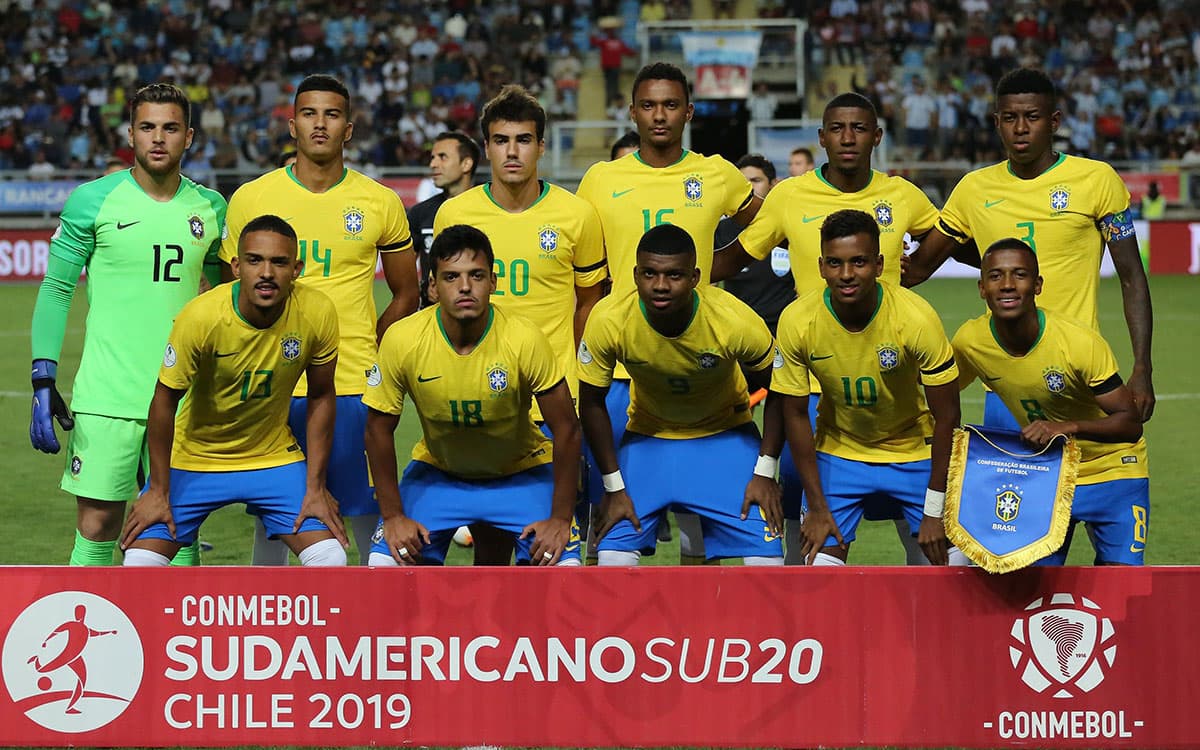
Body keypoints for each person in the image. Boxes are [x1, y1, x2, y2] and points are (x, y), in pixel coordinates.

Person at [711, 92, 939, 565]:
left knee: (921, 535)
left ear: (877, 136)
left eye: (859, 128)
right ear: (821, 138)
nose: (848, 138)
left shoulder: (903, 194)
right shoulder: (789, 197)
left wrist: (917, 270)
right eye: (837, 128)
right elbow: (735, 257)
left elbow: (949, 238)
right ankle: (805, 603)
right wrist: (672, 279)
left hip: (891, 383)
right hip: (811, 385)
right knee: (808, 521)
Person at [220, 74, 418, 565]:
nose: (320, 124)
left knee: (368, 509)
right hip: (273, 382)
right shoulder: (253, 198)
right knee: (275, 516)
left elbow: (407, 292)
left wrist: (375, 348)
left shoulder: (379, 201)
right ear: (292, 125)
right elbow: (232, 292)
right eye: (309, 114)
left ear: (348, 128)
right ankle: (271, 609)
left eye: (332, 115)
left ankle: (377, 608)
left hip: (352, 383)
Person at [30, 82, 225, 566]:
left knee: (178, 531)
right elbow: (56, 288)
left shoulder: (212, 208)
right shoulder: (92, 201)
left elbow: (224, 299)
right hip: (108, 396)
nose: (158, 138)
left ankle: (171, 621)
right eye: (147, 127)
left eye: (170, 128)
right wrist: (43, 375)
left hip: (183, 398)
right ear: (131, 133)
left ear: (189, 137)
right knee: (97, 525)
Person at [576, 61, 762, 564]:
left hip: (695, 354)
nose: (659, 116)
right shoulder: (601, 179)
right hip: (620, 366)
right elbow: (583, 263)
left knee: (701, 516)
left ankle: (698, 603)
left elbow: (767, 223)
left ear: (689, 112)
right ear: (632, 112)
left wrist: (722, 264)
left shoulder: (716, 173)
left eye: (671, 105)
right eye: (649, 105)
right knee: (609, 511)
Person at [903, 68, 1154, 428]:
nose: (1020, 128)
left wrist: (1142, 367)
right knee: (1008, 467)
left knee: (1086, 463)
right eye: (1010, 118)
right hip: (1004, 380)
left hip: (1079, 373)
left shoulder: (1097, 180)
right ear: (997, 123)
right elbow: (919, 267)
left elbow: (1132, 277)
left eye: (1032, 117)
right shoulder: (973, 189)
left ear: (1054, 121)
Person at [433, 85, 606, 564]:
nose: (513, 152)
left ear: (541, 146)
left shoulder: (576, 215)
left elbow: (588, 304)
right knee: (490, 549)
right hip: (477, 399)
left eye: (524, 140)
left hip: (552, 402)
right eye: (501, 140)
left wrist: (579, 380)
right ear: (486, 147)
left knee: (551, 548)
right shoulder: (456, 214)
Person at [120, 214, 348, 567]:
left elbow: (320, 395)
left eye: (279, 262)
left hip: (272, 457)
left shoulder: (317, 312)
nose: (266, 272)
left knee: (330, 557)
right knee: (140, 562)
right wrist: (158, 491)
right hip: (193, 458)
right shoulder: (201, 317)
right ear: (237, 266)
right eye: (255, 260)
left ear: (297, 269)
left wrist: (316, 487)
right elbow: (164, 401)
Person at [364, 225, 583, 567]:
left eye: (476, 275)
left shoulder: (524, 338)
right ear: (432, 286)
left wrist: (559, 518)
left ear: (492, 282)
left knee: (564, 567)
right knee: (384, 564)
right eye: (451, 277)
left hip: (520, 473)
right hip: (439, 474)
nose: (465, 286)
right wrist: (393, 516)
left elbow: (567, 428)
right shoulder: (402, 339)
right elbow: (377, 428)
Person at [579, 224, 783, 565]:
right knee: (612, 558)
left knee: (768, 564)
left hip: (726, 437)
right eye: (649, 274)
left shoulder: (734, 321)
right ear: (635, 275)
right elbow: (591, 402)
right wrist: (613, 488)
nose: (660, 285)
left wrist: (764, 471)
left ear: (695, 278)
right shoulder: (609, 319)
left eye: (674, 275)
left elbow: (781, 391)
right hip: (648, 438)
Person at [770, 209, 963, 566]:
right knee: (815, 569)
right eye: (835, 263)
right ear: (821, 266)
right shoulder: (797, 320)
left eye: (858, 262)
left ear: (878, 264)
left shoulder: (915, 318)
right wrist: (816, 508)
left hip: (913, 451)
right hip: (839, 452)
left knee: (951, 567)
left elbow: (948, 415)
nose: (846, 274)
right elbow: (794, 414)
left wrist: (935, 510)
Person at [951, 239, 1149, 564]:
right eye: (996, 276)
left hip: (1112, 471)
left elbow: (1130, 423)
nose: (1007, 285)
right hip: (1047, 474)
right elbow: (939, 394)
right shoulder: (971, 342)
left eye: (1020, 275)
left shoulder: (1078, 343)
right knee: (1035, 583)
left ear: (1038, 285)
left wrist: (1067, 427)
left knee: (1122, 582)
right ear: (982, 288)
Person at [715, 154, 796, 335]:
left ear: (773, 184)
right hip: (738, 331)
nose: (749, 187)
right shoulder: (722, 230)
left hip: (784, 332)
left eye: (756, 180)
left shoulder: (788, 226)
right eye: (743, 182)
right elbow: (709, 283)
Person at [408, 131, 480, 306]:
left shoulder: (490, 210)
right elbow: (404, 275)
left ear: (466, 164)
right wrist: (424, 289)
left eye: (442, 157)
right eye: (433, 158)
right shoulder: (420, 213)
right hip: (432, 314)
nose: (433, 164)